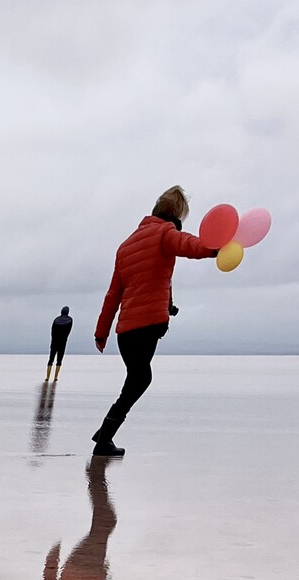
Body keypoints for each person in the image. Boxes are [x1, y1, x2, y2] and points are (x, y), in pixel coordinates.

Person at [91, 186, 217, 457]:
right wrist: (213, 249)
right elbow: (189, 245)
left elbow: (114, 294)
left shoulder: (126, 246)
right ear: (176, 214)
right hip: (145, 327)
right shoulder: (165, 233)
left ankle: (104, 434)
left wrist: (101, 333)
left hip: (125, 334)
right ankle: (104, 438)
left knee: (136, 379)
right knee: (140, 379)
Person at [45, 306, 73, 382]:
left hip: (54, 341)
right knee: (59, 360)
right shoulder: (70, 320)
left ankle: (47, 377)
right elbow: (68, 331)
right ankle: (55, 377)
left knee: (51, 359)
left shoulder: (56, 319)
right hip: (62, 342)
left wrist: (53, 339)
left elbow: (52, 330)